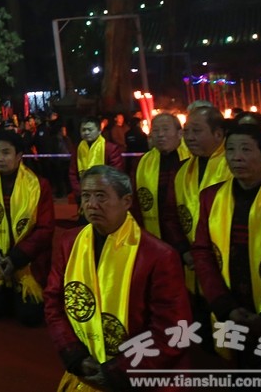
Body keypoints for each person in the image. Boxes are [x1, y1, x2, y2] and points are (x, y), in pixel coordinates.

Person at [44, 165, 191, 390]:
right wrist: (73, 354)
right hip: (85, 362)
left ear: (126, 201)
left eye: (101, 196)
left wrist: (117, 371)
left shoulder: (158, 255)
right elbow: (54, 301)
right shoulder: (69, 241)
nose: (91, 204)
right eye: (86, 196)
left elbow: (172, 330)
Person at [191, 123, 261, 381]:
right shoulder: (211, 197)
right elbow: (203, 252)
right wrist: (224, 306)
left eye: (246, 150)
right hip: (232, 309)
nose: (236, 157)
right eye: (230, 150)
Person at [0, 130, 53, 327]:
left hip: (27, 263)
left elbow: (45, 228)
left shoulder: (38, 185)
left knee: (31, 317)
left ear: (19, 156)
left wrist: (16, 258)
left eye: (6, 153)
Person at [172, 103, 231, 288]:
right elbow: (171, 215)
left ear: (218, 134)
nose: (189, 137)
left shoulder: (234, 166)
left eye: (196, 131)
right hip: (192, 262)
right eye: (186, 131)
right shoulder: (182, 169)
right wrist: (184, 250)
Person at [131, 113, 188, 241]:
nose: (160, 134)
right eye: (156, 130)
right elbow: (135, 202)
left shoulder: (191, 159)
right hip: (154, 230)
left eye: (166, 129)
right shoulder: (141, 163)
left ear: (180, 133)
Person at [68, 117, 124, 205]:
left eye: (90, 130)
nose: (86, 132)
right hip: (83, 195)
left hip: (105, 196)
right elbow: (72, 173)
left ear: (99, 131)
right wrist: (80, 192)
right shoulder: (77, 149)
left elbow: (115, 174)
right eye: (83, 130)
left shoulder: (110, 148)